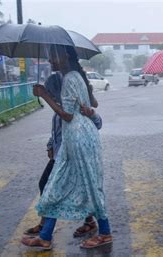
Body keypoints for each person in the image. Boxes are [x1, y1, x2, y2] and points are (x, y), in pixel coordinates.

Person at [21, 45, 112, 250]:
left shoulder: (71, 78)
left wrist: (44, 95)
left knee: (90, 186)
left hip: (79, 138)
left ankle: (105, 232)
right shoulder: (73, 77)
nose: (50, 58)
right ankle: (45, 236)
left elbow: (68, 115)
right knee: (56, 185)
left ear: (66, 56)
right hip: (73, 138)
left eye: (54, 55)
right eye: (49, 54)